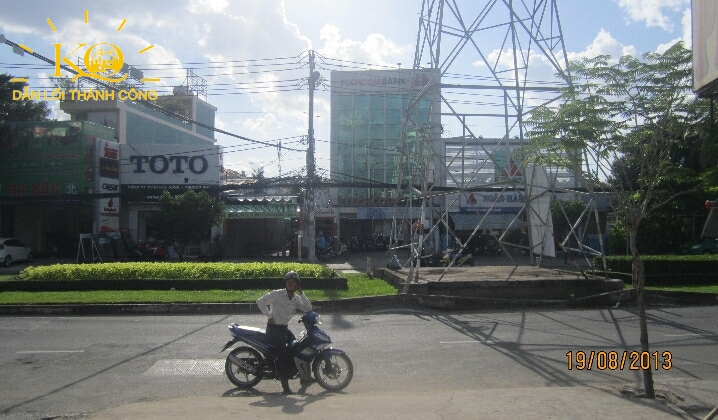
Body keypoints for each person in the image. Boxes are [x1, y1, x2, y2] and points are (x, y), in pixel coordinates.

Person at [256, 271, 313, 394]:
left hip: (284, 330)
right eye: (288, 282)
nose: (290, 284)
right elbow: (260, 301)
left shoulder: (296, 299)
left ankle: (303, 377)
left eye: (293, 282)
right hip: (274, 330)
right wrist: (269, 316)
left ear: (297, 284)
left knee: (297, 347)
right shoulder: (277, 294)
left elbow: (308, 308)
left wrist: (302, 293)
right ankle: (285, 388)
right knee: (282, 357)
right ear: (285, 283)